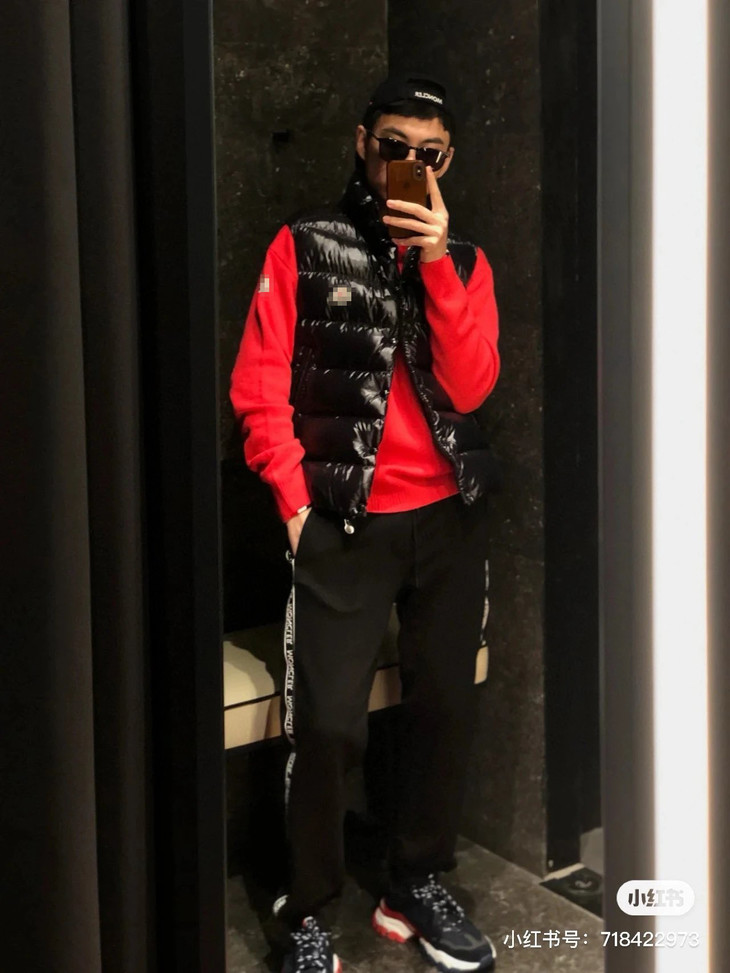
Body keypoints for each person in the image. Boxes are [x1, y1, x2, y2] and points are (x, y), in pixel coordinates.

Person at [230, 73, 501, 973]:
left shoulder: (466, 261)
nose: (408, 164)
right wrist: (296, 507)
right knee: (328, 725)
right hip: (343, 522)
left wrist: (436, 264)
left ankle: (415, 881)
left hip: (448, 520)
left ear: (447, 161)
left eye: (429, 153)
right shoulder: (304, 244)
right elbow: (259, 385)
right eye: (393, 146)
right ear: (362, 143)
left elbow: (470, 385)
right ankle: (308, 910)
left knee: (443, 710)